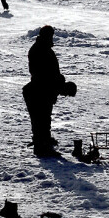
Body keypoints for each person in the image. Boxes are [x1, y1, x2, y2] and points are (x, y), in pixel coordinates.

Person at [23, 25, 76, 157]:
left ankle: (44, 142)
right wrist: (58, 82)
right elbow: (41, 74)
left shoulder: (45, 49)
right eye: (50, 36)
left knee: (44, 120)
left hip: (42, 90)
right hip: (37, 91)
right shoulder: (40, 50)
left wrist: (59, 81)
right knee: (40, 120)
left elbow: (52, 73)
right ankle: (42, 147)